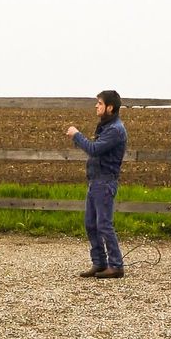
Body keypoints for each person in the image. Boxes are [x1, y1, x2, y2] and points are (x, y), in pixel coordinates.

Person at [66, 90, 127, 279]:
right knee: (91, 224)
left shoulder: (115, 130)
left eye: (99, 103)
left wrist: (76, 135)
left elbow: (94, 149)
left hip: (105, 182)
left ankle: (116, 265)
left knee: (104, 224)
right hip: (95, 181)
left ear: (110, 107)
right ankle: (100, 263)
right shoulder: (106, 127)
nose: (96, 106)